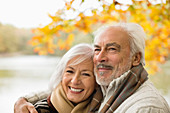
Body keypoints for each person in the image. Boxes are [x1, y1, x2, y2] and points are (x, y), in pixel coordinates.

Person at [14, 23, 170, 113]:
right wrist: (23, 100)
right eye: (97, 49)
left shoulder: (147, 108)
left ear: (136, 58)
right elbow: (68, 88)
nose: (100, 57)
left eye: (112, 49)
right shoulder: (109, 88)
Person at [14, 43, 102, 113]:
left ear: (97, 81)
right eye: (70, 71)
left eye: (85, 74)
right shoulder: (39, 110)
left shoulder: (104, 107)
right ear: (61, 75)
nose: (75, 81)